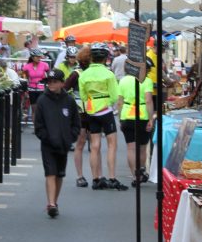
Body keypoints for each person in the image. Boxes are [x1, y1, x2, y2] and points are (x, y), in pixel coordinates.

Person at [34, 69, 81, 218]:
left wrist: (71, 137)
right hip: (48, 144)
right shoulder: (42, 100)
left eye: (55, 82)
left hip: (63, 144)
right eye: (49, 82)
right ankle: (51, 204)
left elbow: (76, 121)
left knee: (60, 174)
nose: (51, 84)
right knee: (50, 173)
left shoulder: (69, 101)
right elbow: (39, 125)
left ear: (62, 83)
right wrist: (45, 137)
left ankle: (55, 200)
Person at [79, 43, 125, 190]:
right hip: (106, 112)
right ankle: (112, 178)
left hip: (92, 112)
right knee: (112, 145)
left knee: (94, 146)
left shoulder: (84, 74)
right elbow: (114, 96)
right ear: (105, 58)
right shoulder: (108, 74)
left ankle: (96, 179)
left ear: (91, 57)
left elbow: (83, 96)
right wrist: (107, 103)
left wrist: (93, 104)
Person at [117, 57, 156, 184]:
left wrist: (120, 118)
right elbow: (149, 100)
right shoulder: (147, 81)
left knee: (130, 148)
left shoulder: (123, 81)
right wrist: (151, 118)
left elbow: (119, 102)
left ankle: (134, 175)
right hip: (142, 115)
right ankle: (142, 169)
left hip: (127, 116)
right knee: (142, 147)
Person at [64, 46, 91, 187]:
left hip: (83, 112)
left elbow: (63, 90)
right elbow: (64, 89)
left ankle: (81, 176)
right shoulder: (77, 74)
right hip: (89, 112)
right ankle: (92, 176)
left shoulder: (77, 73)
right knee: (90, 145)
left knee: (82, 144)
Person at [20, 49, 50, 123]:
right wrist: (26, 85)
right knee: (34, 108)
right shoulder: (27, 66)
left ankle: (42, 124)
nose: (39, 58)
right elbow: (23, 75)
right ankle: (35, 126)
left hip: (41, 88)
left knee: (41, 107)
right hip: (32, 89)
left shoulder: (45, 65)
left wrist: (46, 81)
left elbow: (49, 75)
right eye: (37, 57)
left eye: (40, 57)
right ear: (32, 57)